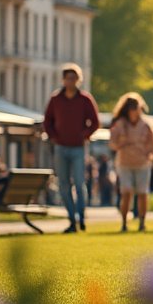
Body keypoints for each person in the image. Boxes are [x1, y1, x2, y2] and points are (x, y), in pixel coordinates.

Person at [43, 63, 100, 233]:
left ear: (78, 80)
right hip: (61, 147)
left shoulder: (85, 99)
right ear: (63, 80)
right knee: (63, 185)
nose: (71, 81)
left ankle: (81, 217)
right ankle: (71, 219)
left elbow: (95, 122)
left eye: (74, 78)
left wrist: (84, 135)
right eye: (68, 78)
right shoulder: (55, 99)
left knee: (79, 182)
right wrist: (54, 136)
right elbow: (48, 121)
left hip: (78, 148)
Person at [109, 92, 153, 232]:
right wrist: (120, 142)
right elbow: (112, 143)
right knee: (126, 192)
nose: (134, 111)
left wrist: (151, 156)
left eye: (136, 108)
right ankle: (124, 222)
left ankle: (142, 222)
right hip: (124, 162)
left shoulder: (146, 124)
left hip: (142, 163)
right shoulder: (120, 124)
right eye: (131, 108)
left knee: (142, 193)